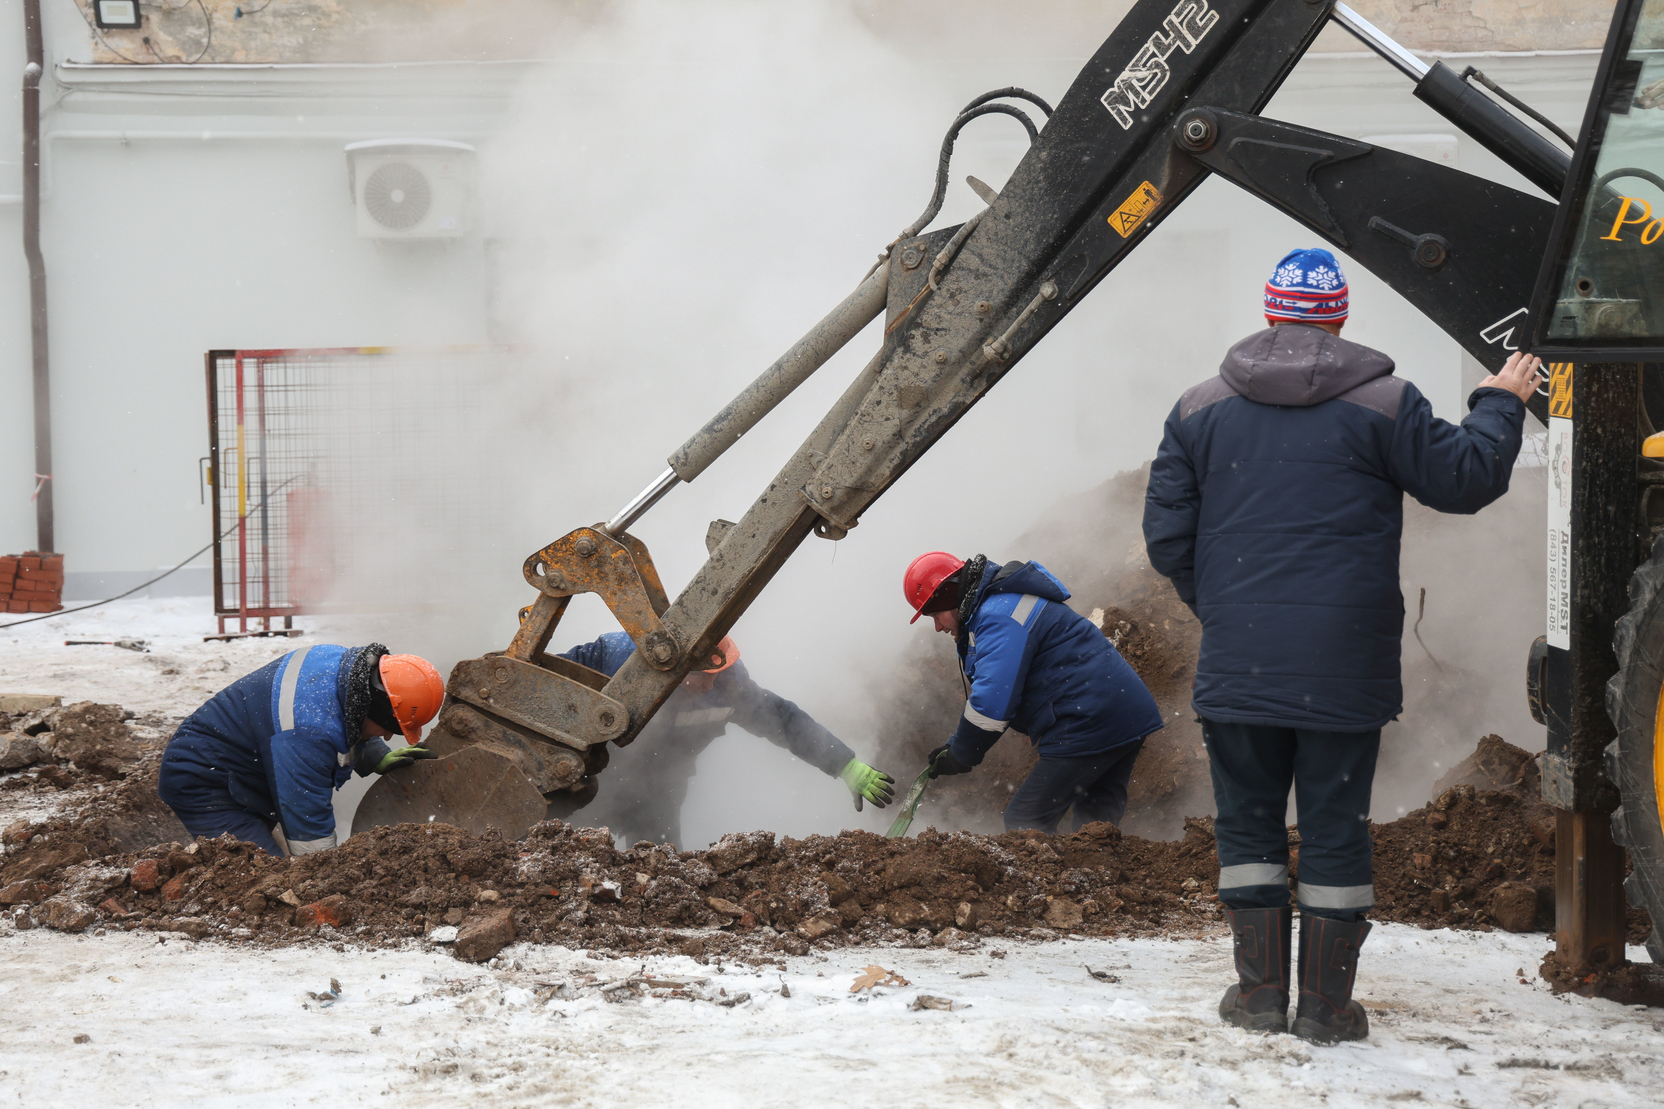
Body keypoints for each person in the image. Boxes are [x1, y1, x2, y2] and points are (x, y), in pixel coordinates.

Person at [1142, 247, 1542, 1044]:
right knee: (1333, 826)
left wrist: (1224, 610)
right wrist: (1500, 400)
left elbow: (1167, 538)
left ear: (1271, 312)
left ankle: (1259, 995)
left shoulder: (1195, 408)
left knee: (1248, 828)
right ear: (1339, 318)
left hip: (1240, 663)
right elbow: (1466, 479)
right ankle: (1326, 1008)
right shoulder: (1386, 404)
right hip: (1344, 667)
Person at [904, 551, 1164, 831]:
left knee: (1025, 822)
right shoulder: (1001, 604)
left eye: (936, 614)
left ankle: (1073, 860)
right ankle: (1100, 859)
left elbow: (992, 704)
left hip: (1089, 719)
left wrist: (960, 754)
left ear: (949, 595)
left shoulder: (996, 616)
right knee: (1096, 822)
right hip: (1124, 710)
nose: (937, 627)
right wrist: (955, 745)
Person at [557, 632, 894, 847]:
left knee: (661, 879)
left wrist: (845, 765)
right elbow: (547, 682)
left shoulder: (730, 688)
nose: (710, 686)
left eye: (717, 676)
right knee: (561, 855)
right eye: (703, 676)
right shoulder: (616, 658)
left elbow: (782, 720)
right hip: (594, 785)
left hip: (660, 794)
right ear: (675, 665)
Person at [158, 643, 445, 857]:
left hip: (242, 762)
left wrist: (374, 755)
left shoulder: (347, 669)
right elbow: (308, 826)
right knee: (262, 875)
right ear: (375, 708)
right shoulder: (308, 733)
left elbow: (348, 715)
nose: (387, 735)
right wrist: (327, 877)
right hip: (202, 780)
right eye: (390, 727)